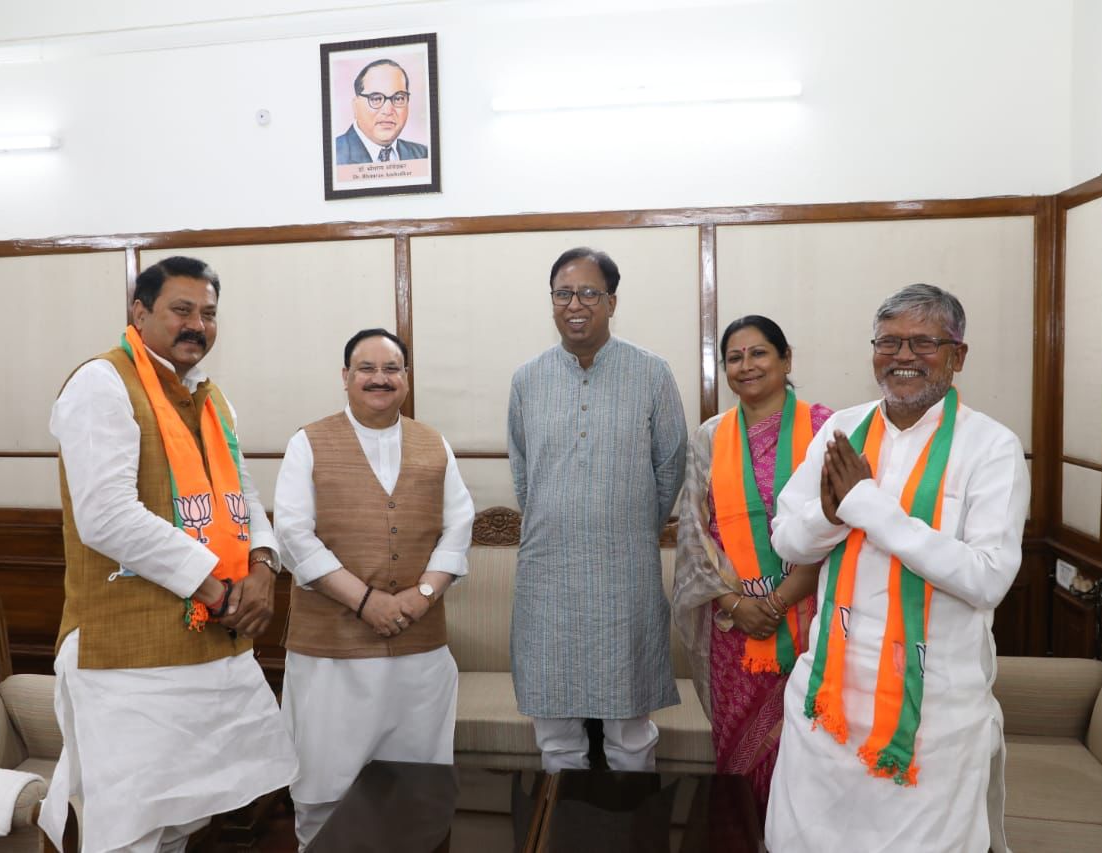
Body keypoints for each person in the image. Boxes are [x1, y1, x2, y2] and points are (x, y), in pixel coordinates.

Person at [40, 256, 296, 853]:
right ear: (139, 311)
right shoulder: (101, 383)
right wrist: (213, 587)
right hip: (128, 656)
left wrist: (263, 565)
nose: (197, 325)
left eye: (208, 314)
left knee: (184, 820)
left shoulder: (208, 396)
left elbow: (243, 492)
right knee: (129, 830)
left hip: (211, 647)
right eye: (181, 310)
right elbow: (105, 515)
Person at [765, 284, 1029, 852]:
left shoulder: (991, 447)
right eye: (889, 342)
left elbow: (987, 578)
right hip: (827, 702)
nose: (903, 356)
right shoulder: (842, 430)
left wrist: (870, 508)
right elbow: (787, 541)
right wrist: (833, 516)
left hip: (932, 712)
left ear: (958, 356)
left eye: (923, 342)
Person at [273, 328, 474, 850]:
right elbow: (294, 535)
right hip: (330, 658)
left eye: (392, 369)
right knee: (324, 791)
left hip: (418, 654)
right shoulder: (307, 442)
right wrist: (365, 601)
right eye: (367, 368)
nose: (379, 379)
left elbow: (459, 524)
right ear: (345, 378)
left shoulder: (435, 443)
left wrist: (423, 594)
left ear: (406, 379)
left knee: (417, 789)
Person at [508, 246, 688, 772]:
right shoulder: (527, 378)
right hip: (547, 573)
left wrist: (628, 527)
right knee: (556, 733)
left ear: (611, 301)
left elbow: (670, 465)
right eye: (563, 293)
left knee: (630, 731)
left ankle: (632, 835)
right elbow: (524, 472)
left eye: (589, 292)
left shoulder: (652, 373)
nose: (575, 304)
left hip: (624, 571)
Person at [672, 315, 832, 810]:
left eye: (760, 353)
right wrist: (735, 602)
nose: (747, 365)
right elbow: (694, 532)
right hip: (733, 626)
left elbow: (841, 523)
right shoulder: (709, 437)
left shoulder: (828, 429)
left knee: (809, 750)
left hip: (811, 620)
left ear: (786, 359)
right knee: (739, 751)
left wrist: (779, 599)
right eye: (735, 358)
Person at [335, 58, 429, 165]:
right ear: (355, 106)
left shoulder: (423, 156)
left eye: (398, 98)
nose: (388, 111)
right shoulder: (334, 156)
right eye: (376, 99)